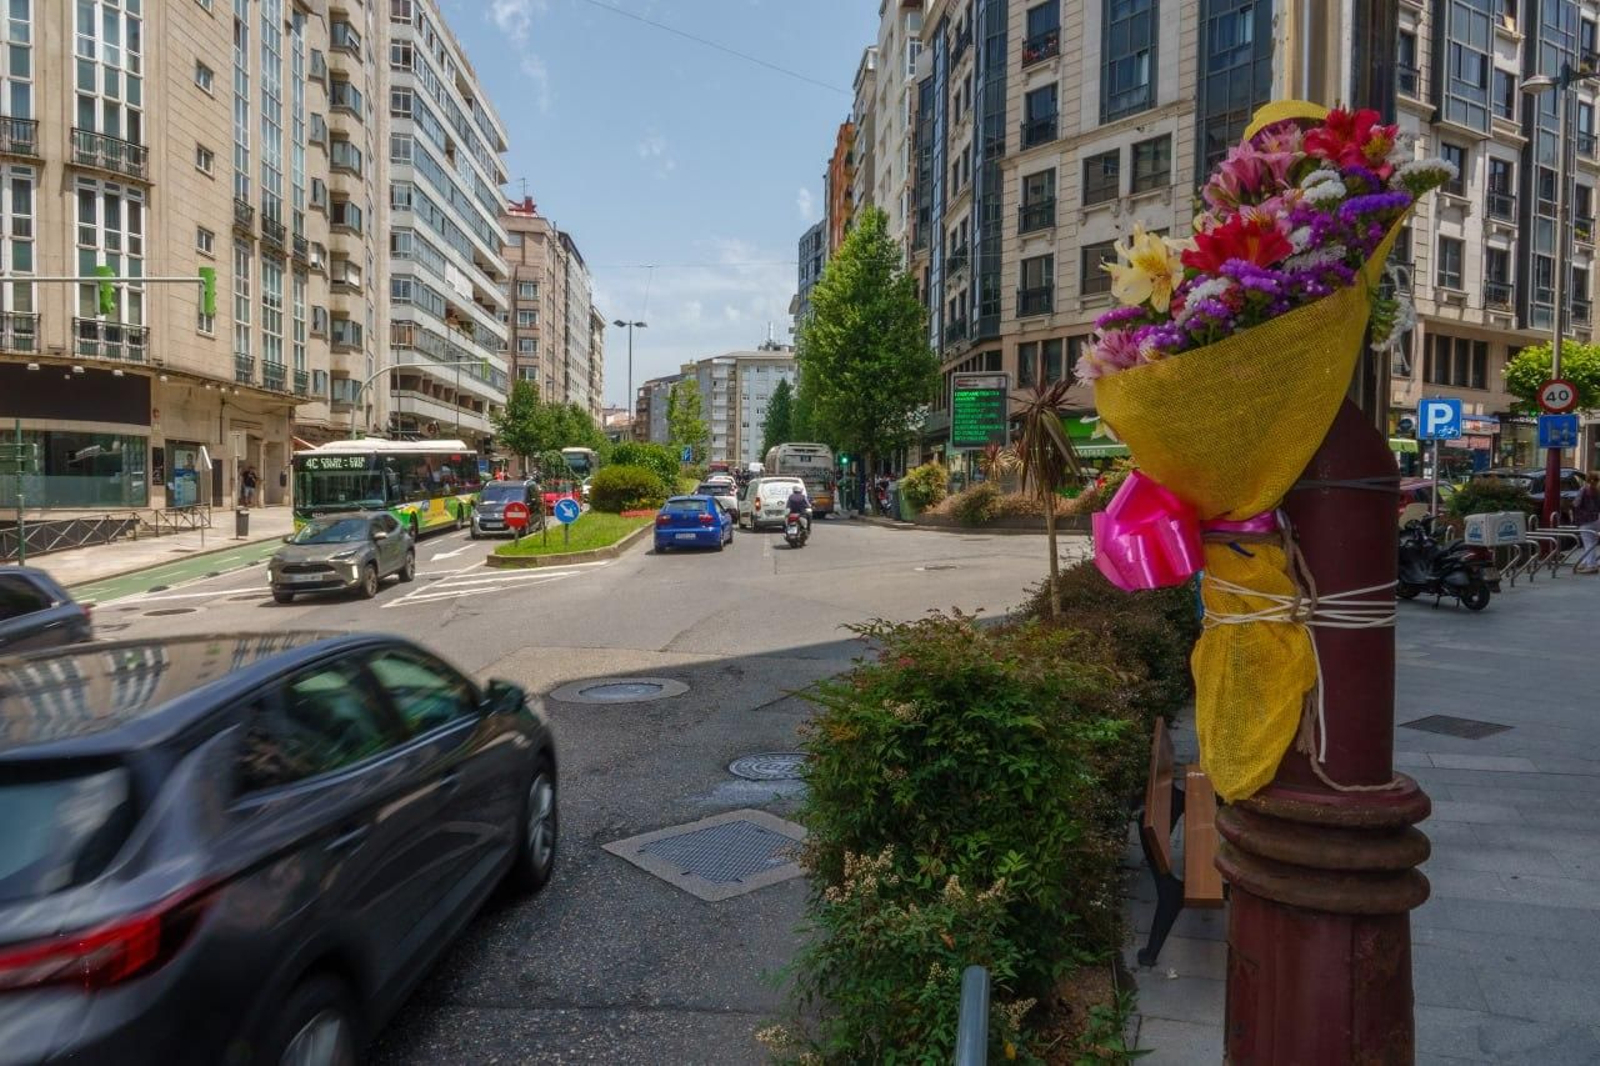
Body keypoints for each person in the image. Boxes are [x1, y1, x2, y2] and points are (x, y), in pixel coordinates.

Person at [1575, 472, 1600, 574]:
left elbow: (1576, 503)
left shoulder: (1583, 490)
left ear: (1587, 479)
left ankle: (1591, 565)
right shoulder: (1598, 491)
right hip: (1597, 519)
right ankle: (1587, 561)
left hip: (1585, 519)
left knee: (1588, 542)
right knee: (1592, 542)